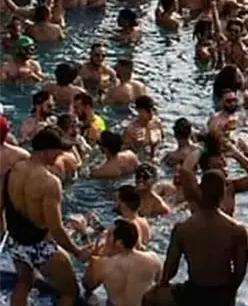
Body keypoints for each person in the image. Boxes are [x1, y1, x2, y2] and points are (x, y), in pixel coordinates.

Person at [4, 129, 91, 306]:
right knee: (70, 292)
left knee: (24, 282)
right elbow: (55, 228)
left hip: (16, 242)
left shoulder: (12, 171)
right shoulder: (50, 183)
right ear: (46, 151)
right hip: (41, 247)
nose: (60, 155)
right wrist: (77, 252)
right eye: (57, 151)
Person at [153, 170, 248, 306]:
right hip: (223, 294)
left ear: (201, 192)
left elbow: (171, 269)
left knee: (150, 298)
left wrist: (160, 285)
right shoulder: (237, 229)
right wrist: (229, 293)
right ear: (223, 193)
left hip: (194, 291)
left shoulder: (183, 228)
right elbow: (240, 271)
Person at [83, 218, 162, 306]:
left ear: (119, 243)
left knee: (88, 297)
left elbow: (87, 286)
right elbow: (161, 287)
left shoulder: (103, 264)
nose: (105, 240)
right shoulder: (153, 259)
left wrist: (93, 259)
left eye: (109, 235)